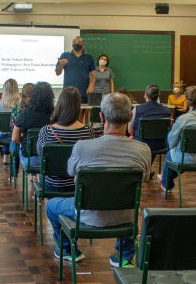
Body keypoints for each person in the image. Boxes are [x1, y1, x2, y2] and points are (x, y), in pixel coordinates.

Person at [46, 92, 151, 266]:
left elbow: (71, 171)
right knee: (128, 202)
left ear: (101, 117)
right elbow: (144, 178)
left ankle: (67, 250)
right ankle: (124, 256)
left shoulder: (82, 147)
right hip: (126, 216)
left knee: (51, 205)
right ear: (131, 116)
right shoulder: (143, 150)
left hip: (88, 215)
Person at [158, 85, 196, 192]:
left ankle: (166, 184)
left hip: (185, 159)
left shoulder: (182, 119)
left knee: (171, 154)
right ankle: (164, 178)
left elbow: (171, 143)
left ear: (188, 100)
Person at [36, 86, 93, 191]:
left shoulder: (46, 130)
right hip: (77, 184)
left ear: (60, 104)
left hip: (52, 183)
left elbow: (41, 153)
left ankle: (49, 205)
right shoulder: (88, 131)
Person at [12, 81, 54, 177]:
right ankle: (40, 181)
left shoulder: (24, 114)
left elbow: (14, 139)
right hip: (50, 159)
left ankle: (36, 179)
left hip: (30, 159)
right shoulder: (56, 114)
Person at [128, 84, 171, 159]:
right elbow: (168, 129)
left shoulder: (137, 109)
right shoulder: (166, 110)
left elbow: (130, 131)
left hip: (141, 143)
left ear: (145, 94)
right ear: (158, 96)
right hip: (161, 144)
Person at [55, 36, 95, 103]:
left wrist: (91, 85)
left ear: (83, 45)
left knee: (82, 112)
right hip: (68, 92)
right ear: (72, 44)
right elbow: (57, 73)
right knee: (67, 113)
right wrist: (61, 65)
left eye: (79, 43)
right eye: (74, 42)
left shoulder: (89, 57)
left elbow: (93, 74)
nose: (76, 44)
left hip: (83, 92)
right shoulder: (64, 55)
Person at [0, 78, 20, 166]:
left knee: (3, 129)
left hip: (1, 136)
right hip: (16, 136)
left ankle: (5, 159)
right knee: (11, 131)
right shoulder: (21, 103)